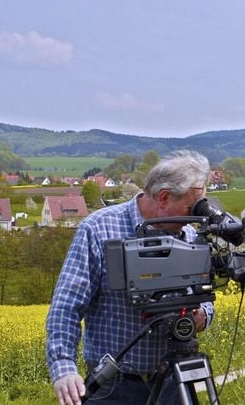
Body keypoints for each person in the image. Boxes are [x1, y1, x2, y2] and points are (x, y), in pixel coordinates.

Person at [45, 150, 215, 405]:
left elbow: (205, 296)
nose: (195, 216)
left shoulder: (189, 236)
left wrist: (203, 314)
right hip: (115, 388)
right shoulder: (99, 229)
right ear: (164, 198)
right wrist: (63, 367)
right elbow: (66, 306)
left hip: (174, 384)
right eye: (191, 207)